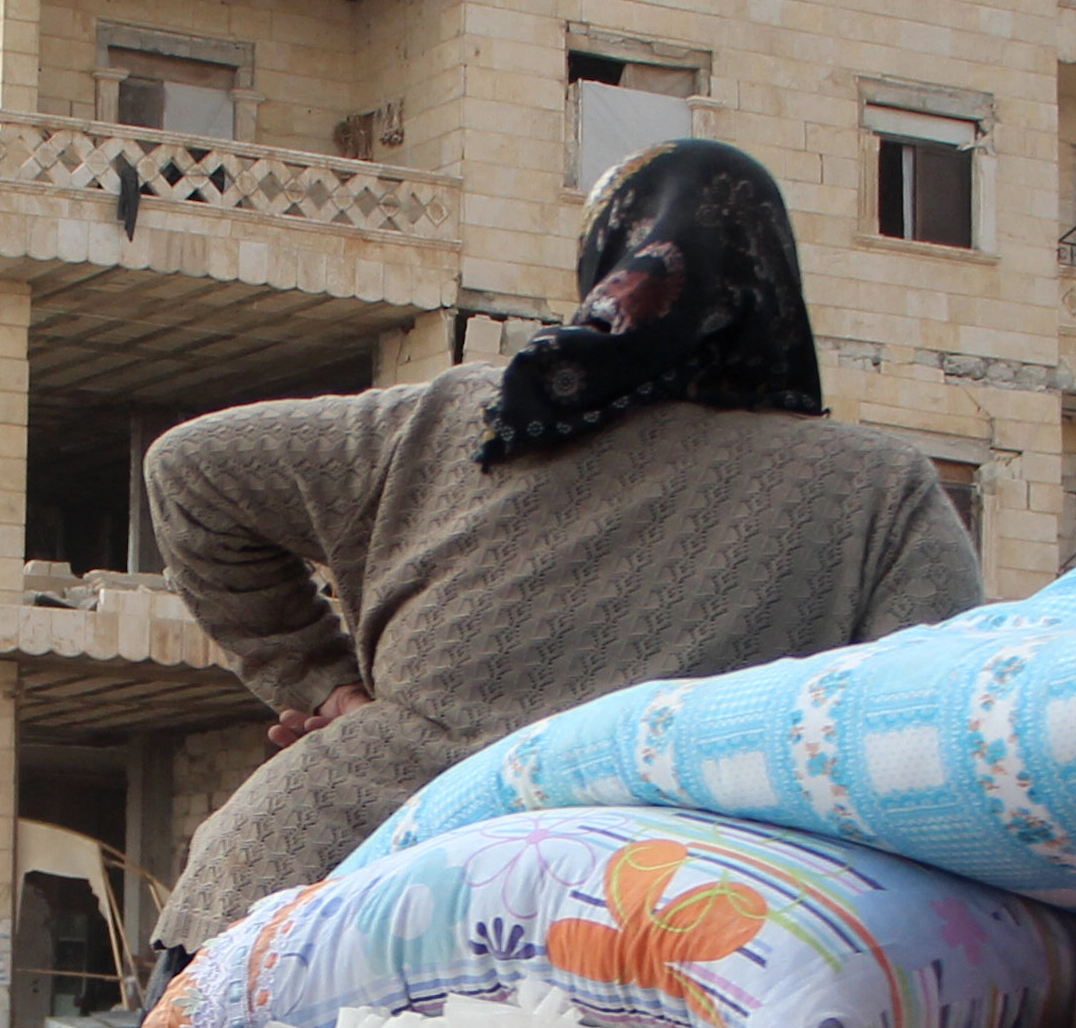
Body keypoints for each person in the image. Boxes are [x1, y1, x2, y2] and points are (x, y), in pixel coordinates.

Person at [141, 139, 985, 952]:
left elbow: (189, 470)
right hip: (659, 922)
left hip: (306, 873)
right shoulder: (874, 488)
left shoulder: (460, 418)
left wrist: (325, 686)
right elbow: (917, 731)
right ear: (772, 285)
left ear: (611, 263)